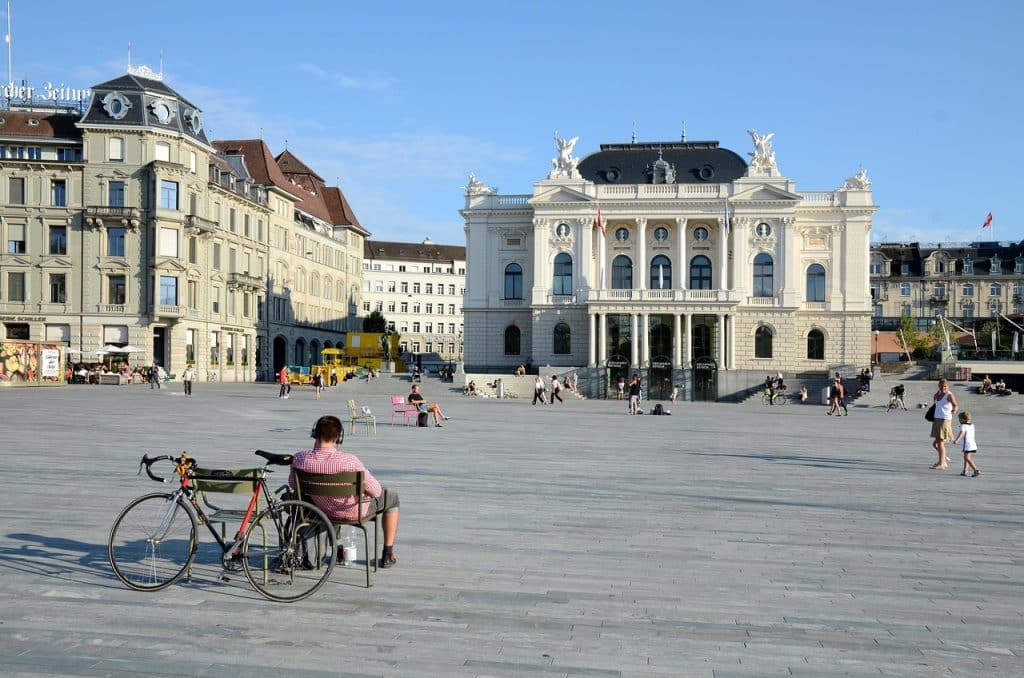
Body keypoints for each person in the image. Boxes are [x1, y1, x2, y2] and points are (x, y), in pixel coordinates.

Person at [290, 415, 400, 568]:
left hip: (322, 510)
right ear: (339, 437)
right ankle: (388, 554)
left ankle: (337, 546)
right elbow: (375, 491)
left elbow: (293, 485)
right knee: (392, 497)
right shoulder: (349, 461)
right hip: (354, 511)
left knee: (327, 498)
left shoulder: (300, 459)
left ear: (315, 433)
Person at [930, 377, 958, 470]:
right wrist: (936, 396)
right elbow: (935, 401)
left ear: (948, 386)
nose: (943, 388)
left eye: (945, 386)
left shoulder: (949, 395)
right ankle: (943, 461)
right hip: (937, 419)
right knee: (936, 443)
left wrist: (954, 411)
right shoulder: (938, 394)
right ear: (939, 386)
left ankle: (942, 463)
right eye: (941, 386)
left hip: (945, 419)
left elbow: (956, 405)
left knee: (940, 442)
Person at [952, 411, 980, 477]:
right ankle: (965, 471)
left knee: (967, 458)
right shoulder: (972, 425)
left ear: (963, 420)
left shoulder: (963, 426)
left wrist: (956, 440)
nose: (958, 420)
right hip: (972, 444)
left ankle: (976, 470)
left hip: (967, 445)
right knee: (966, 457)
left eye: (959, 419)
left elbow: (961, 434)